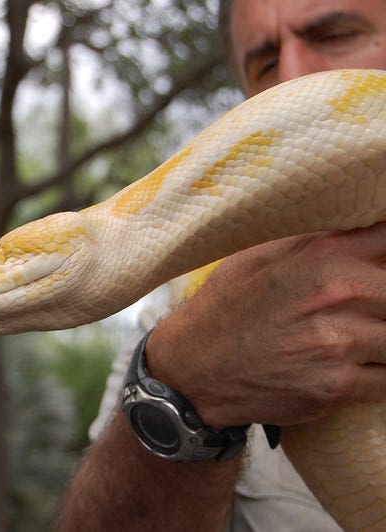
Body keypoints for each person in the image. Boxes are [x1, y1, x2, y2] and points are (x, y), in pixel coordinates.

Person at [56, 0, 386, 530]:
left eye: (335, 35)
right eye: (264, 64)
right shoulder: (196, 301)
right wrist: (180, 386)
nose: (292, 78)